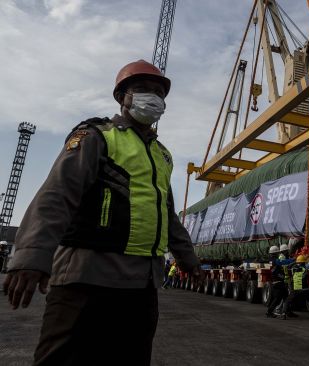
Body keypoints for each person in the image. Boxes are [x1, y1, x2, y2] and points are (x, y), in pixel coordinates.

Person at [2, 59, 204, 365]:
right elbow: (58, 193)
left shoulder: (162, 155)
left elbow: (167, 213)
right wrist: (31, 255)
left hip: (142, 286)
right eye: (141, 89)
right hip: (86, 278)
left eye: (158, 92)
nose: (152, 97)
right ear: (122, 97)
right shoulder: (96, 135)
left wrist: (188, 259)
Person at [281, 255, 309, 320]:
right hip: (304, 290)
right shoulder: (305, 268)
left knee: (288, 300)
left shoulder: (293, 269)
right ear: (303, 262)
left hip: (295, 290)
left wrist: (294, 262)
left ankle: (284, 314)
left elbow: (287, 267)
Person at [266, 245, 292, 318]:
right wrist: (293, 260)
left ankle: (288, 312)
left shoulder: (271, 260)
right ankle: (269, 312)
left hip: (278, 281)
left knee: (286, 297)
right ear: (275, 253)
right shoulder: (275, 260)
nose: (279, 253)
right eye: (278, 252)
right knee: (278, 299)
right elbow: (283, 262)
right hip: (278, 282)